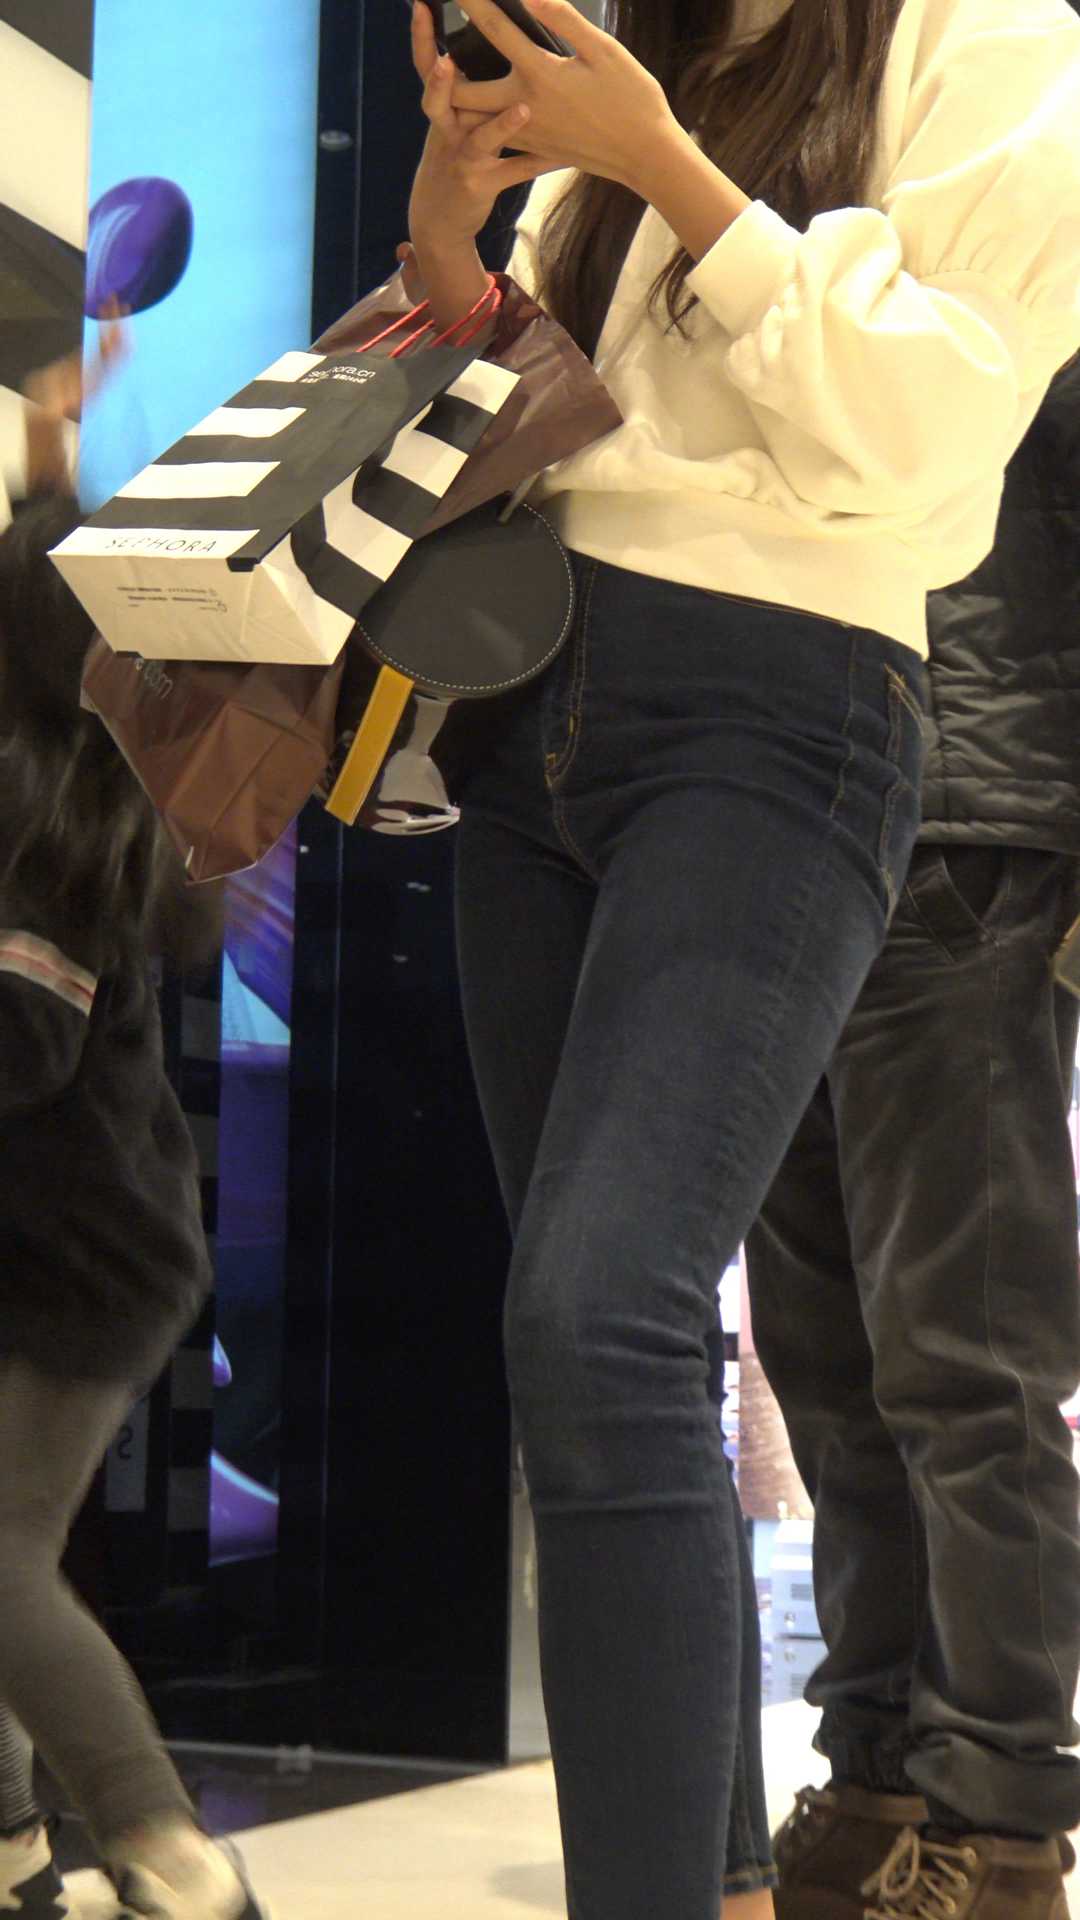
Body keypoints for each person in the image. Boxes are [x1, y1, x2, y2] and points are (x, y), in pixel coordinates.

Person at [402, 0, 1080, 1914]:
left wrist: (663, 166)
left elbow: (932, 427)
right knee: (644, 1348)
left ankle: (1000, 1810)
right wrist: (455, 218)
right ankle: (749, 1854)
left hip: (804, 715)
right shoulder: (650, 39)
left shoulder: (984, 36)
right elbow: (534, 393)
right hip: (531, 700)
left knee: (747, 1328)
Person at [746, 344, 1080, 1920]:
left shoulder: (1024, 227)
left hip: (970, 819)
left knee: (967, 1357)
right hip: (789, 820)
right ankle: (880, 1770)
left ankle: (1002, 1820)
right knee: (826, 1356)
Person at [0, 496, 265, 1920]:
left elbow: (23, 1044)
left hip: (84, 1266)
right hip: (75, 1253)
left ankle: (169, 1853)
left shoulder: (36, 819)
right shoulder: (85, 796)